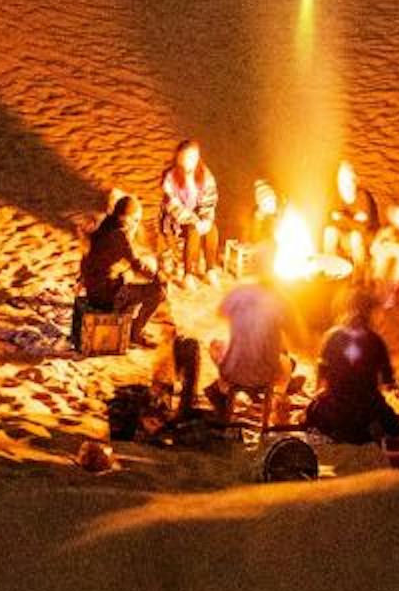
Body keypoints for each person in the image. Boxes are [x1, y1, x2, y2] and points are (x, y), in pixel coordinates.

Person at [306, 291, 399, 444]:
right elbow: (387, 380)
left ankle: (342, 429)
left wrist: (319, 391)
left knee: (313, 410)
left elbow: (321, 369)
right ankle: (368, 428)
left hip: (337, 408)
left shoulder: (332, 336)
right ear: (370, 312)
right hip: (367, 409)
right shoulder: (376, 340)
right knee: (390, 421)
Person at [77, 192, 163, 346]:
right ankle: (135, 333)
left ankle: (129, 321)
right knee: (157, 292)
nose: (137, 224)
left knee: (127, 276)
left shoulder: (106, 224)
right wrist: (158, 276)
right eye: (136, 220)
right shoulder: (120, 236)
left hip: (94, 289)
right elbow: (137, 264)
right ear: (126, 218)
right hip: (106, 296)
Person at [209, 266, 296, 415]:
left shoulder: (239, 293)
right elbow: (297, 336)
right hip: (265, 375)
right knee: (288, 361)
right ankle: (276, 397)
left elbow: (220, 313)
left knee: (215, 345)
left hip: (232, 372)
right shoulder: (281, 301)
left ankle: (223, 393)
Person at [158, 138, 219, 279]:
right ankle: (188, 274)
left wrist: (206, 219)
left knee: (212, 230)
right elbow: (172, 205)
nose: (191, 161)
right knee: (193, 231)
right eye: (188, 157)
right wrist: (193, 220)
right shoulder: (170, 177)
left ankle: (210, 269)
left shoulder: (204, 174)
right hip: (177, 219)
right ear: (179, 158)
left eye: (194, 157)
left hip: (199, 215)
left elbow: (210, 198)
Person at [320, 157, 380, 276]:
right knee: (329, 232)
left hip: (367, 239)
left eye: (348, 180)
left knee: (355, 237)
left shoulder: (363, 197)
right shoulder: (336, 197)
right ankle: (331, 269)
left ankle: (359, 274)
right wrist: (351, 221)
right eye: (341, 181)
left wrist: (343, 218)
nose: (344, 185)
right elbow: (329, 222)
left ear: (355, 181)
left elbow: (363, 229)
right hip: (348, 236)